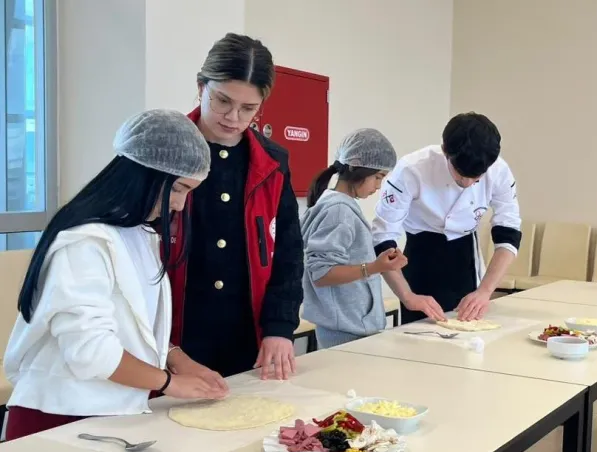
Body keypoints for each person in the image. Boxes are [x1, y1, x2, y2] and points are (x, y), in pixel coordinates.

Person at [2, 109, 229, 441]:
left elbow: (131, 324)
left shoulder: (137, 234)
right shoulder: (84, 242)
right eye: (179, 188)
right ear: (147, 174)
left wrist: (176, 358)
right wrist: (169, 383)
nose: (180, 205)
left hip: (113, 409)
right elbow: (89, 351)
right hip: (59, 416)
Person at [166, 33, 304, 380]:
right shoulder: (165, 148)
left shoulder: (272, 162)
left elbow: (288, 251)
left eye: (248, 108)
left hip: (245, 331)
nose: (233, 117)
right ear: (201, 87)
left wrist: (280, 326)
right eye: (222, 101)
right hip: (174, 333)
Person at [371, 112, 522, 324]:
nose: (467, 183)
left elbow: (509, 232)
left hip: (465, 257)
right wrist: (408, 297)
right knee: (417, 333)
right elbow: (382, 237)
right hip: (420, 256)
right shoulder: (411, 169)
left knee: (468, 330)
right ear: (445, 151)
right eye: (460, 174)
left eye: (476, 178)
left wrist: (485, 291)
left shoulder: (498, 170)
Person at [301, 129, 408, 349]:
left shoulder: (339, 206)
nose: (378, 186)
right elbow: (320, 273)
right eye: (377, 177)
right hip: (345, 330)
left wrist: (380, 262)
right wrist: (374, 267)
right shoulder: (338, 211)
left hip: (351, 325)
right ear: (356, 169)